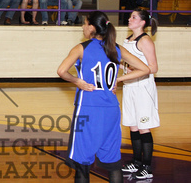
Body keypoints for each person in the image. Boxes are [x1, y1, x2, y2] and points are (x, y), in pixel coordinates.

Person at [57, 11, 150, 183]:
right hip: (111, 111)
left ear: (92, 27)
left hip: (88, 109)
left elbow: (61, 71)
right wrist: (118, 80)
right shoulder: (116, 48)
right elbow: (145, 69)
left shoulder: (81, 48)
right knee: (113, 163)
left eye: (84, 24)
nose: (83, 27)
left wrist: (77, 81)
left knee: (82, 164)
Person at [121, 8, 160, 180]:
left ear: (142, 22)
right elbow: (126, 65)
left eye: (134, 17)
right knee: (133, 126)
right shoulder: (127, 40)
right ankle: (136, 162)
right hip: (129, 87)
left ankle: (147, 166)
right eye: (130, 16)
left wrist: (134, 70)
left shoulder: (145, 41)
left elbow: (153, 67)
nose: (130, 19)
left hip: (143, 87)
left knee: (144, 128)